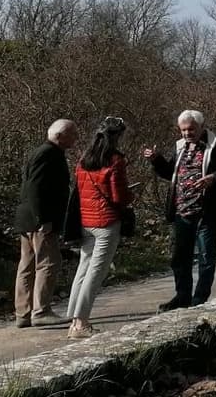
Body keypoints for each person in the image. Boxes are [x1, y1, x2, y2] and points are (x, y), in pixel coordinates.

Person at [143, 110, 216, 310]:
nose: (187, 133)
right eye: (183, 130)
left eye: (191, 129)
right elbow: (170, 173)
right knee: (180, 258)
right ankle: (182, 296)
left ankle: (199, 299)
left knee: (206, 257)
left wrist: (215, 177)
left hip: (208, 210)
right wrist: (156, 159)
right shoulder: (181, 147)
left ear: (201, 127)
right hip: (183, 210)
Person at [67, 116, 133, 339]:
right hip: (106, 221)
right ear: (117, 137)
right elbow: (119, 196)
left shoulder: (83, 160)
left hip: (85, 220)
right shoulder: (115, 161)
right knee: (96, 272)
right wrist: (131, 195)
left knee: (83, 268)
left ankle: (74, 319)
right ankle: (81, 322)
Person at [13, 119, 79, 327]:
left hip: (28, 218)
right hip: (39, 220)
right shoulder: (48, 154)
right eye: (72, 134)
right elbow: (35, 188)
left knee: (28, 264)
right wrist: (43, 219)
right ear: (60, 136)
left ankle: (23, 314)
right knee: (49, 262)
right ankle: (41, 311)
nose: (75, 138)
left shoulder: (41, 152)